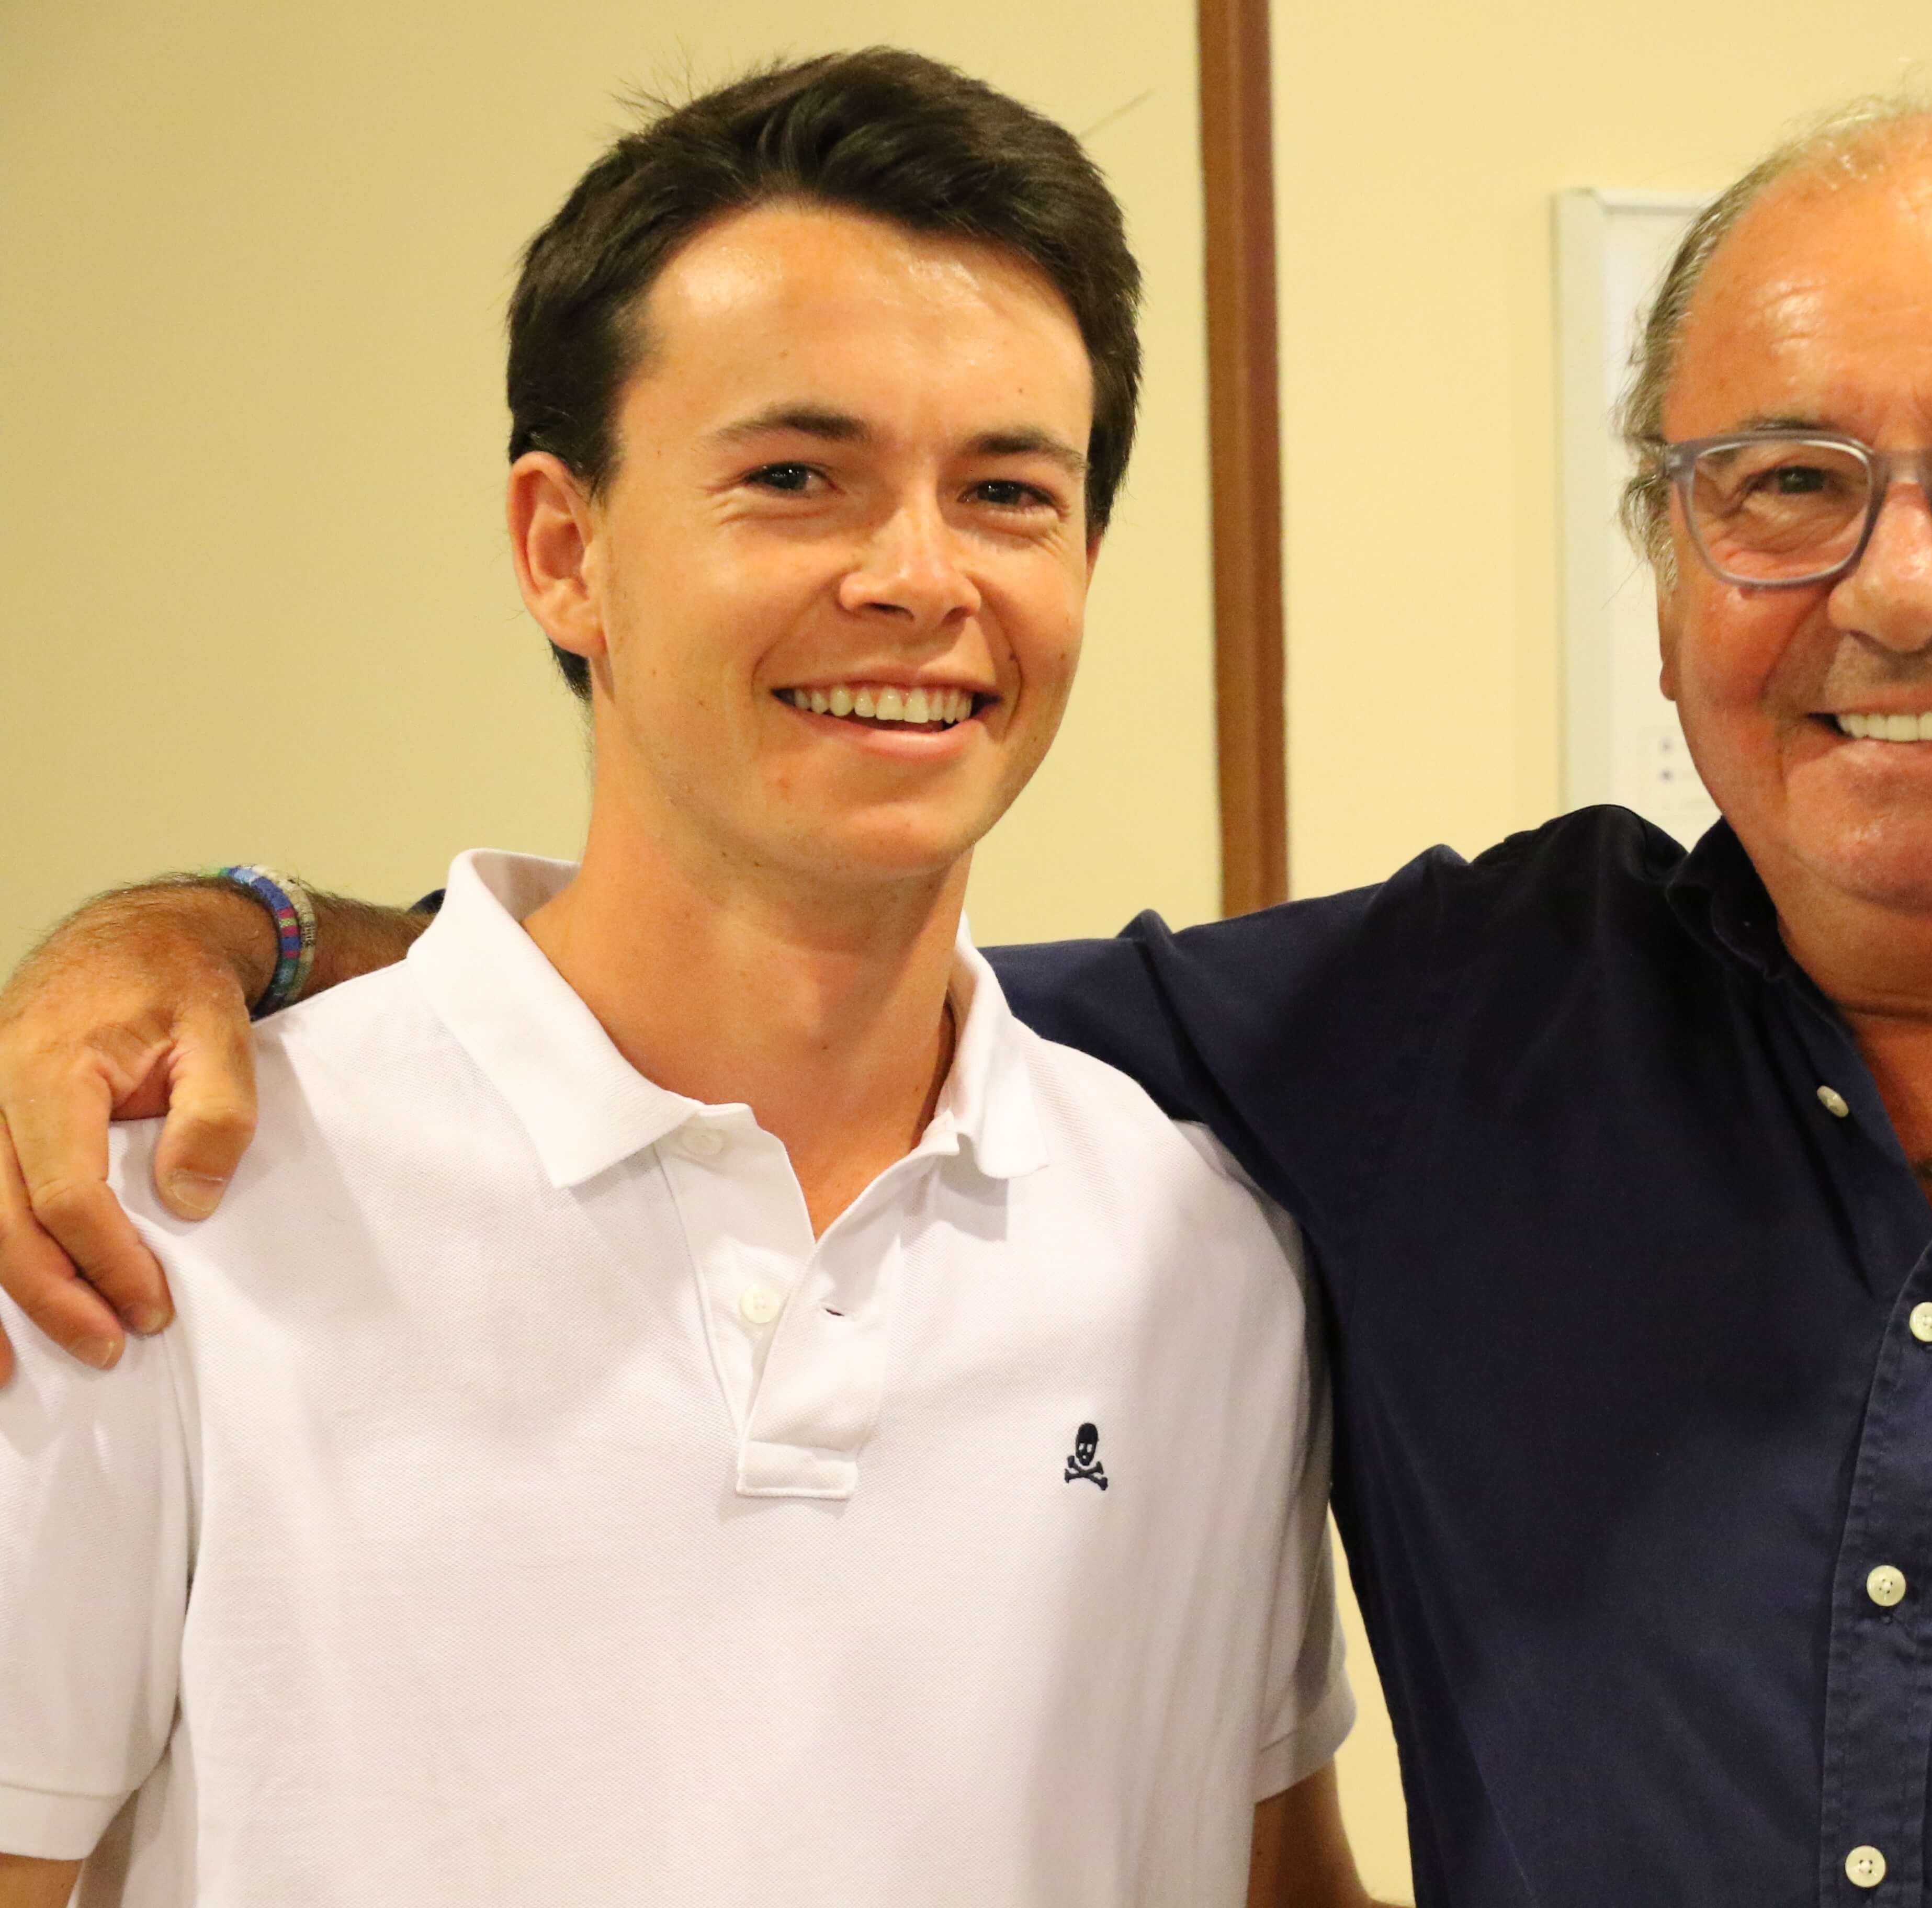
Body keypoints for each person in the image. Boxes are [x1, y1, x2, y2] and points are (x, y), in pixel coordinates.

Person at [7, 94, 1932, 1904]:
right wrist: (216, 932)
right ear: (1672, 568)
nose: (1899, 587)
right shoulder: (1424, 1056)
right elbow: (765, 977)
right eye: (1779, 485)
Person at [0, 50, 1377, 1908]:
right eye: (797, 477)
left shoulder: (1200, 1252)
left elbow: (1263, 1875)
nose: (919, 578)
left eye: (1006, 493)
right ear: (564, 550)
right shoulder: (154, 1211)